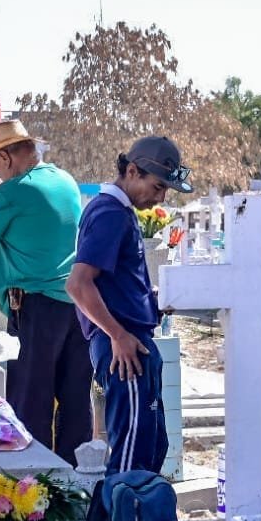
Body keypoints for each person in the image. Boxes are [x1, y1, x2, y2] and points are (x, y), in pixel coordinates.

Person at [0, 120, 92, 465]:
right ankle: (77, 478)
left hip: (36, 307)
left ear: (5, 158)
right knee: (74, 396)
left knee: (32, 396)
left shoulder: (13, 193)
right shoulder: (61, 179)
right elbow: (17, 200)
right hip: (77, 305)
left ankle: (36, 475)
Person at [66, 136, 192, 476]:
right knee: (132, 455)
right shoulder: (109, 213)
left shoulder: (120, 212)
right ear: (132, 171)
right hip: (123, 348)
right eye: (157, 186)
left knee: (152, 446)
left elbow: (114, 282)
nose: (161, 197)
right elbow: (78, 284)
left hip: (133, 341)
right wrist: (118, 335)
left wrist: (149, 300)